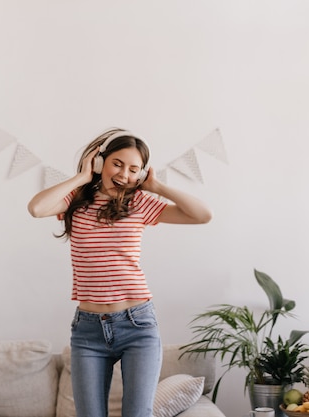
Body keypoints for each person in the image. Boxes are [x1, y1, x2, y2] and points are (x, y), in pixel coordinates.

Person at [27, 128, 212, 417]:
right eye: (117, 164)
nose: (125, 174)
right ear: (101, 163)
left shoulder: (139, 203)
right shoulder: (75, 202)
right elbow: (36, 208)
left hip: (137, 324)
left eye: (133, 169)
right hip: (88, 330)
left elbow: (202, 215)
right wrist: (81, 177)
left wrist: (158, 187)